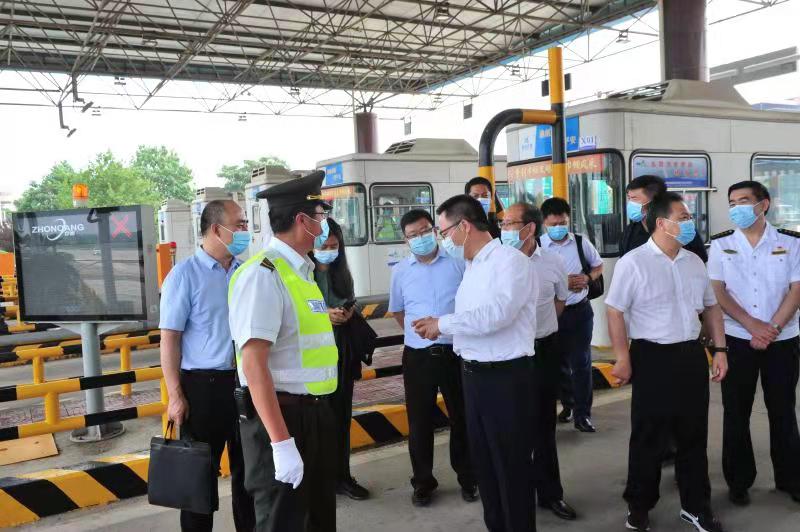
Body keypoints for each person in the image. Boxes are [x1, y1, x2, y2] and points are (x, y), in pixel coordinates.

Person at [413, 195, 539, 532]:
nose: (442, 240)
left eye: (443, 232)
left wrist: (442, 324)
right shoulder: (472, 266)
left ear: (464, 226)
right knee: (485, 466)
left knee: (511, 468)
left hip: (505, 378)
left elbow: (497, 315)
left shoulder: (510, 262)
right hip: (474, 376)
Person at [606, 191, 729, 532]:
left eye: (689, 217)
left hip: (689, 355)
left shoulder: (694, 262)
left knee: (693, 435)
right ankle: (639, 506)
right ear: (662, 223)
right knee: (649, 436)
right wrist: (622, 357)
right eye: (683, 217)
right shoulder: (634, 262)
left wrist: (720, 350)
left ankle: (696, 506)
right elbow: (615, 310)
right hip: (651, 356)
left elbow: (711, 307)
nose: (690, 223)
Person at [228, 171, 338, 532]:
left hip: (313, 415)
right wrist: (281, 443)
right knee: (283, 522)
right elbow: (253, 364)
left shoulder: (302, 272)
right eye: (320, 215)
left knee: (318, 519)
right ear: (302, 220)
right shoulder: (264, 275)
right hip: (281, 420)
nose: (323, 223)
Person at [159, 199, 255, 532]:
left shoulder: (246, 271)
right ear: (216, 229)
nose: (245, 230)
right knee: (198, 480)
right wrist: (175, 395)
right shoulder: (183, 275)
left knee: (249, 474)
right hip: (203, 390)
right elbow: (169, 339)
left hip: (245, 383)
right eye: (240, 224)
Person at [707, 180, 800, 507]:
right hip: (737, 338)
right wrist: (751, 325)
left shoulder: (790, 242)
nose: (737, 208)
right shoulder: (721, 244)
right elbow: (717, 291)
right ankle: (739, 481)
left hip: (782, 339)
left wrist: (771, 328)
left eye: (744, 201)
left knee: (783, 411)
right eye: (732, 203)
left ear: (764, 204)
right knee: (736, 413)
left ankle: (791, 479)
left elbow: (797, 290)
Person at [388, 208, 477, 507]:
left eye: (425, 231)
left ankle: (468, 477)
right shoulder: (401, 271)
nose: (420, 238)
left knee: (462, 417)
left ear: (435, 231)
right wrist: (419, 336)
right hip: (418, 357)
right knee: (419, 422)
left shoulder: (459, 263)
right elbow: (399, 311)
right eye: (413, 235)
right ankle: (423, 482)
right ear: (405, 240)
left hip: (455, 352)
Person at [500, 202, 577, 521]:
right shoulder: (496, 260)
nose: (503, 229)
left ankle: (550, 493)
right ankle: (514, 497)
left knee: (544, 426)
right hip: (508, 354)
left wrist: (541, 328)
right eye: (503, 223)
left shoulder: (553, 262)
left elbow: (561, 299)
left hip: (543, 350)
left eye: (509, 223)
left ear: (529, 228)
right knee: (511, 428)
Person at [311, 218, 372, 501]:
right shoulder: (303, 274)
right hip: (312, 363)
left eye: (334, 246)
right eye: (323, 246)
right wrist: (324, 316)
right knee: (315, 425)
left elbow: (351, 301)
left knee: (341, 420)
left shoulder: (342, 274)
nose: (329, 251)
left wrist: (347, 314)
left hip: (341, 358)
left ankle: (342, 477)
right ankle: (319, 481)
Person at [539, 197, 603, 433]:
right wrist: (561, 283)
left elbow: (598, 265)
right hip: (551, 313)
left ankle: (583, 414)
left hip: (579, 312)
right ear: (544, 223)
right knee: (557, 364)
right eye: (554, 224)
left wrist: (587, 278)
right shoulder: (538, 246)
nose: (559, 227)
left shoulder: (580, 242)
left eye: (563, 223)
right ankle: (568, 405)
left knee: (581, 363)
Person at [622, 174, 707, 261]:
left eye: (634, 199)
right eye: (629, 198)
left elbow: (699, 262)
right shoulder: (630, 232)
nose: (630, 204)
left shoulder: (682, 229)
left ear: (653, 200)